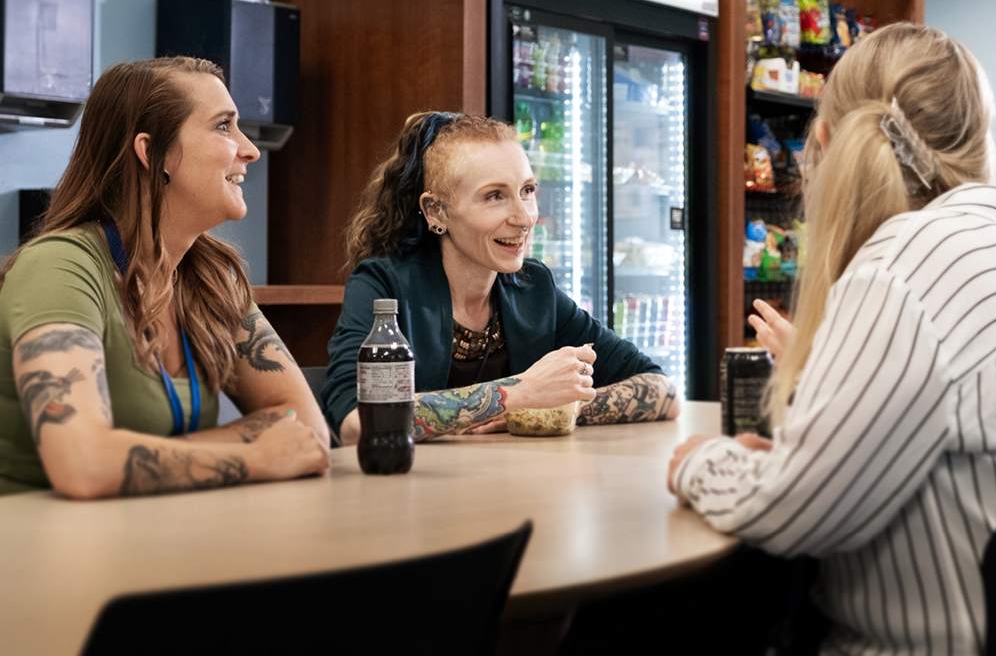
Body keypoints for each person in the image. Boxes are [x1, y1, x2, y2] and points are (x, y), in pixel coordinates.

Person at [667, 23, 996, 656]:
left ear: (825, 144)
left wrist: (699, 463)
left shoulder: (902, 264)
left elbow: (794, 513)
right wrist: (789, 461)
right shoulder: (977, 249)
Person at [0, 57, 330, 499]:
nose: (249, 149)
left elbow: (307, 430)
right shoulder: (60, 267)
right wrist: (257, 455)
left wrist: (135, 454)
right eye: (222, 127)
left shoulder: (211, 278)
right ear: (153, 153)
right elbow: (82, 464)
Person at [322, 112, 678, 444]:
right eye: (495, 196)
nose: (524, 218)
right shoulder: (382, 285)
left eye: (527, 191)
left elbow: (663, 389)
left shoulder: (533, 287)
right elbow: (357, 420)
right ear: (436, 211)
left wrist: (555, 407)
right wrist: (520, 393)